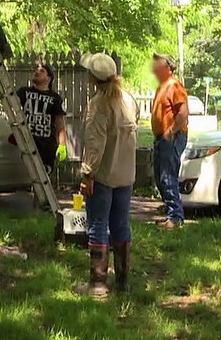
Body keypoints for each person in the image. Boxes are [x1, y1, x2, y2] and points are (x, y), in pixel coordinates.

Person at [76, 52, 140, 296]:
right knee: (121, 225)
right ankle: (123, 282)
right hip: (126, 175)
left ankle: (98, 284)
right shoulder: (128, 100)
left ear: (93, 78)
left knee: (98, 226)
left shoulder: (98, 105)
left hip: (103, 176)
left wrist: (87, 175)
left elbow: (95, 144)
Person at [150, 53, 189, 229]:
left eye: (158, 63)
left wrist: (171, 131)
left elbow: (183, 113)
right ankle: (170, 212)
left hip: (172, 137)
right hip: (161, 138)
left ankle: (176, 217)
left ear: (167, 67)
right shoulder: (162, 87)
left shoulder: (174, 85)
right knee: (160, 177)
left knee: (167, 176)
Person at [17, 62, 68, 178]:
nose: (37, 72)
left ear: (49, 78)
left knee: (42, 179)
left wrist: (62, 145)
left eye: (42, 71)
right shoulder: (24, 92)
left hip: (46, 147)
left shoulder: (55, 98)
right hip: (27, 142)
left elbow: (60, 125)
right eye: (36, 69)